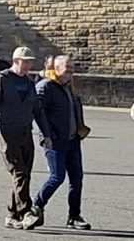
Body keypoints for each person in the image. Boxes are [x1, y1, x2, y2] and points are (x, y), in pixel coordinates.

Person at [0, 46, 41, 230]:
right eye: (26, 61)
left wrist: (46, 133)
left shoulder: (30, 82)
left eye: (31, 61)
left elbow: (37, 109)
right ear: (16, 61)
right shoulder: (3, 79)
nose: (29, 64)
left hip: (25, 131)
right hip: (8, 131)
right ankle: (26, 212)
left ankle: (12, 214)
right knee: (19, 171)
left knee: (23, 174)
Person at [30, 54, 90, 231]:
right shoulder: (46, 86)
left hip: (72, 139)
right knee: (57, 177)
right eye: (67, 67)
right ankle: (37, 205)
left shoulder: (69, 87)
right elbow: (37, 111)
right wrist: (48, 135)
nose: (71, 71)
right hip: (54, 140)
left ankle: (74, 216)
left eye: (72, 67)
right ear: (55, 68)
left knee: (77, 178)